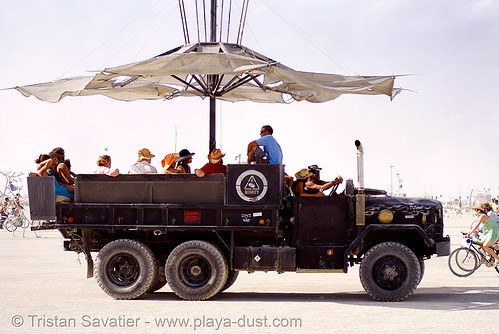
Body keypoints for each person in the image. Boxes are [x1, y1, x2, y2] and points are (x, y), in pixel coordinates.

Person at [469, 203, 499, 267]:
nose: (475, 212)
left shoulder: (483, 216)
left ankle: (496, 258)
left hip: (494, 232)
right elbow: (476, 225)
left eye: (476, 210)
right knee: (480, 244)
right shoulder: (482, 216)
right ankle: (484, 258)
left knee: (485, 246)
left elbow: (477, 225)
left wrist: (470, 233)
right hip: (489, 233)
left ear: (479, 210)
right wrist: (469, 231)